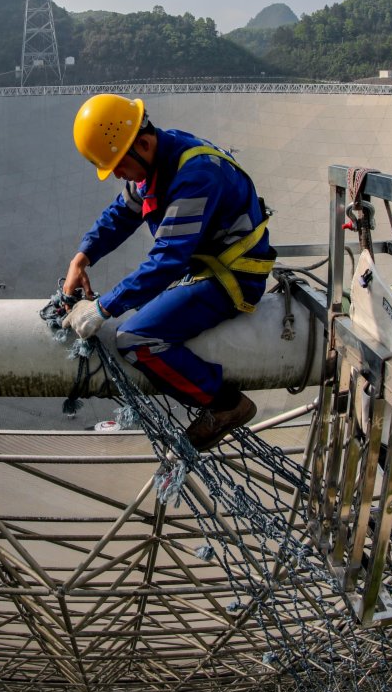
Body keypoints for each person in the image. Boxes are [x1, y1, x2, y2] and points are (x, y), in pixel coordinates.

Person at [62, 94, 274, 451]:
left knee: (135, 339)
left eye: (118, 165)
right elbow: (122, 212)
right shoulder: (158, 157)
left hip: (233, 277)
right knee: (141, 325)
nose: (116, 175)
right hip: (208, 269)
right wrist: (82, 258)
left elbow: (168, 260)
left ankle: (225, 405)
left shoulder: (196, 176)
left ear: (142, 144)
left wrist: (103, 309)